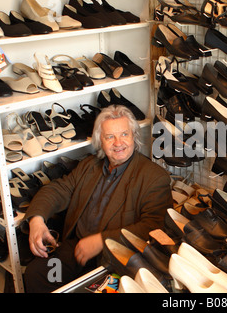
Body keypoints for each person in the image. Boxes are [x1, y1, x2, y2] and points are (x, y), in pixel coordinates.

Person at [23, 104, 173, 292]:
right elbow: (58, 189)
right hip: (76, 252)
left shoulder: (153, 176)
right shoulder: (90, 165)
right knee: (37, 274)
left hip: (115, 260)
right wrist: (37, 219)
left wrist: (102, 241)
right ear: (100, 141)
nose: (118, 143)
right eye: (110, 137)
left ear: (134, 137)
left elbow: (153, 226)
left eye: (124, 134)